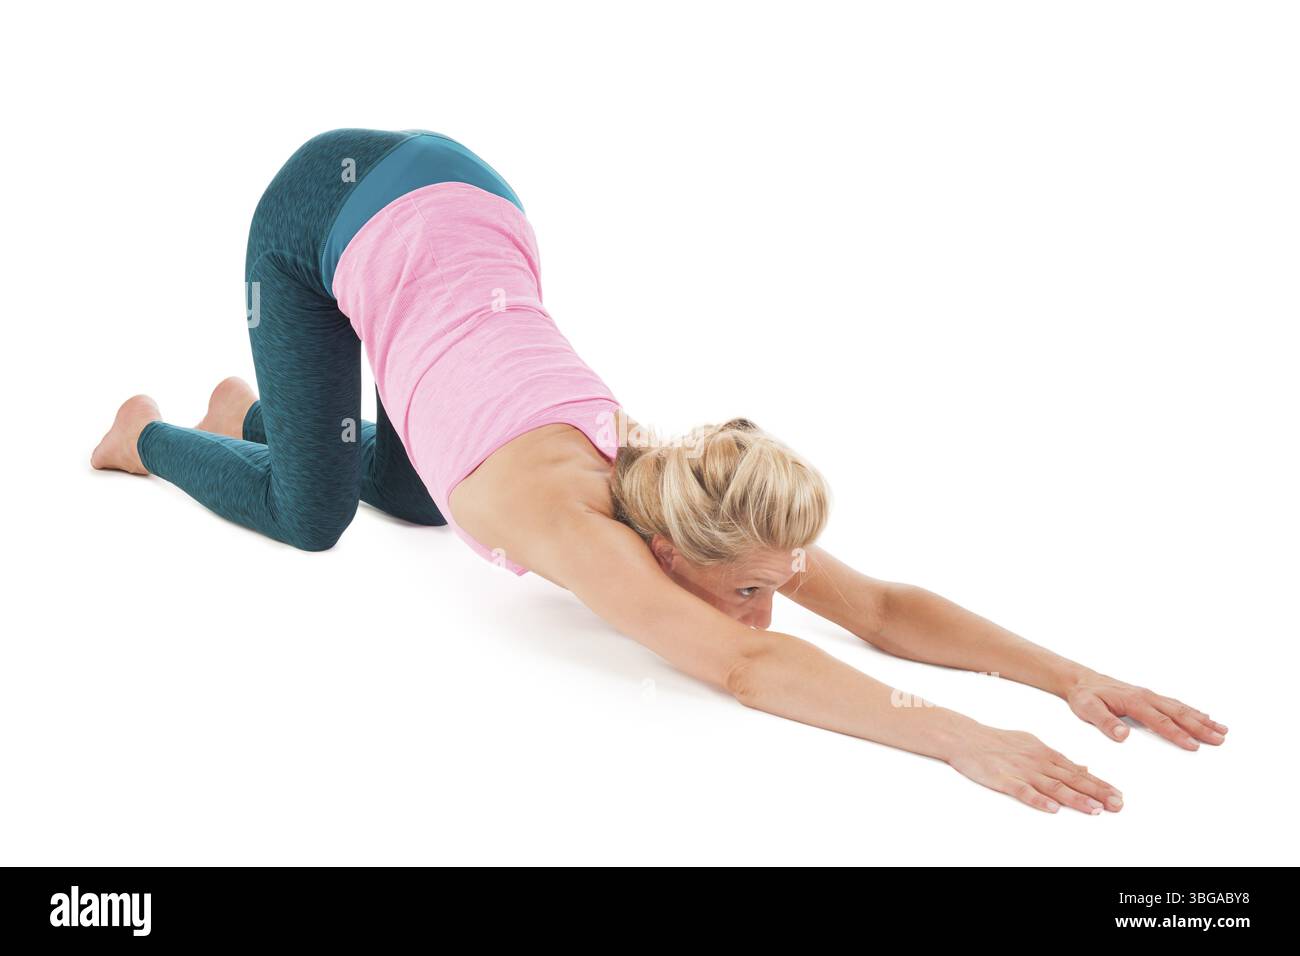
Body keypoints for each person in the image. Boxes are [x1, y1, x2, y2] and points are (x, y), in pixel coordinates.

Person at [91, 128, 1227, 814]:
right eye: (749, 589)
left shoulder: (697, 490)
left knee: (419, 491)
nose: (772, 599)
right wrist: (963, 737)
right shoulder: (579, 525)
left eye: (771, 583)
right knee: (315, 512)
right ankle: (146, 432)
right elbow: (743, 667)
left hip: (471, 207)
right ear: (663, 549)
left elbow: (874, 605)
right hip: (326, 206)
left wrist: (1071, 673)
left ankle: (264, 411)